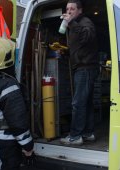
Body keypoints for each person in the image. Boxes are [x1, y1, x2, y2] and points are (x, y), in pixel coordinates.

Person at [0, 38, 34, 170]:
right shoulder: (7, 84)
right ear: (7, 59)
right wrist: (28, 146)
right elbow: (17, 120)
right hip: (6, 144)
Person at [60, 0, 99, 145]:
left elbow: (87, 37)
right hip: (82, 67)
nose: (69, 11)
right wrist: (66, 52)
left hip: (86, 68)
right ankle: (88, 133)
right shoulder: (75, 24)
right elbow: (81, 46)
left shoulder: (85, 22)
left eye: (72, 8)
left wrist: (71, 23)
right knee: (86, 103)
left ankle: (75, 136)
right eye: (67, 8)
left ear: (80, 10)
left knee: (78, 103)